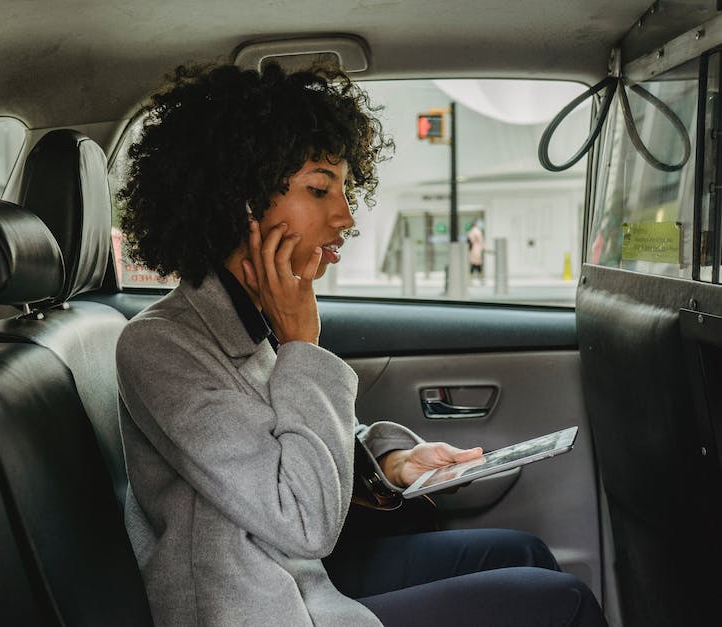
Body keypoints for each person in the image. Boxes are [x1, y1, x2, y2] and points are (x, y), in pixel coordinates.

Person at [115, 62, 607, 626]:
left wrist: (393, 463)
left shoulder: (255, 318)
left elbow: (304, 444)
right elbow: (302, 520)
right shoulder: (161, 346)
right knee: (560, 603)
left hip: (300, 579)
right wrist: (303, 347)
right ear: (239, 201)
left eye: (345, 190)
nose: (345, 216)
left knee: (522, 554)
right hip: (257, 608)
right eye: (320, 189)